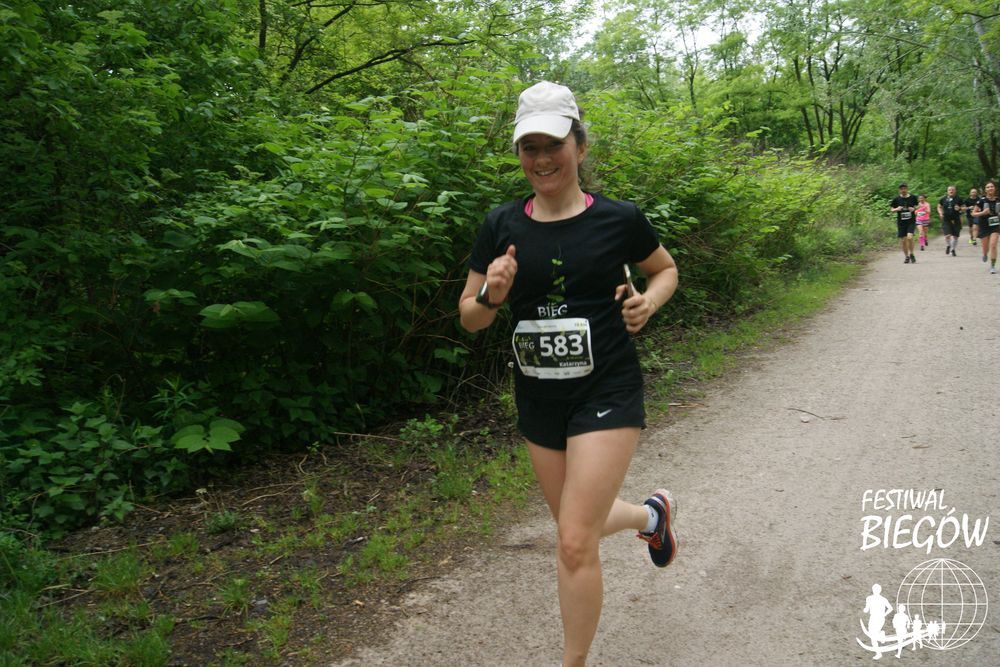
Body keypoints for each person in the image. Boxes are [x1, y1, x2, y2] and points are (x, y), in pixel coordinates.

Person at [458, 81, 679, 667]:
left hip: (607, 388)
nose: (541, 159)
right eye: (529, 147)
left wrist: (648, 302)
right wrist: (491, 293)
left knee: (575, 541)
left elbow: (664, 270)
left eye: (553, 144)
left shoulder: (618, 219)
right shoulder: (501, 225)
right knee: (576, 525)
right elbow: (471, 319)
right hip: (538, 397)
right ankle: (652, 516)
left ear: (579, 146)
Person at [972, 180, 1000, 273]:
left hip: (995, 225)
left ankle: (993, 266)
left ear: (994, 188)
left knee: (993, 245)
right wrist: (982, 213)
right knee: (985, 248)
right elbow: (973, 213)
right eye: (988, 187)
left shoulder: (998, 200)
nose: (990, 188)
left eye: (992, 186)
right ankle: (984, 254)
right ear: (985, 190)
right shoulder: (981, 201)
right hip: (984, 225)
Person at [891, 183, 918, 263]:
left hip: (911, 221)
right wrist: (897, 209)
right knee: (903, 240)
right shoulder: (896, 199)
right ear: (899, 190)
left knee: (909, 237)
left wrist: (914, 209)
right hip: (901, 222)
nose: (903, 190)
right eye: (901, 189)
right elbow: (892, 209)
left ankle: (911, 253)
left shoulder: (913, 197)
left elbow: (918, 206)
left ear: (907, 189)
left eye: (904, 188)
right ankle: (906, 256)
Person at [937, 186, 963, 256]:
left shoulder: (959, 199)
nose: (951, 191)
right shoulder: (943, 199)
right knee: (947, 235)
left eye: (952, 190)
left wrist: (960, 208)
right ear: (947, 191)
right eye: (949, 190)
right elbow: (939, 206)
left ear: (955, 191)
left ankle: (953, 249)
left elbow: (964, 207)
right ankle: (948, 245)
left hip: (956, 219)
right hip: (946, 219)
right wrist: (940, 213)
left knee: (955, 236)